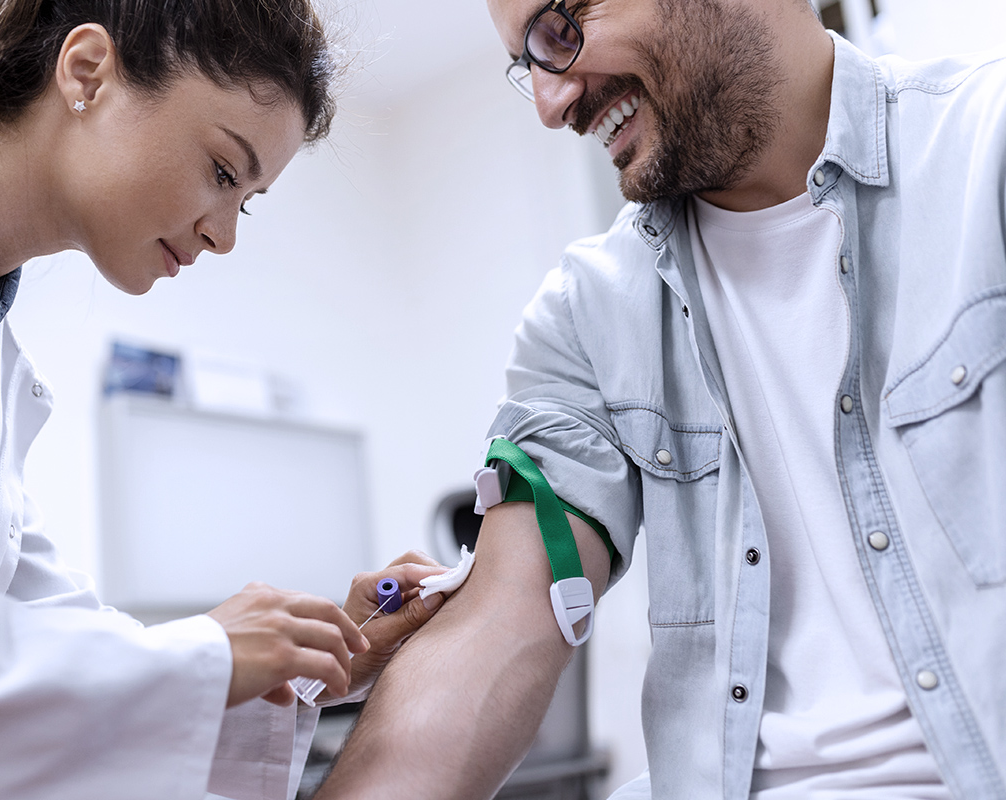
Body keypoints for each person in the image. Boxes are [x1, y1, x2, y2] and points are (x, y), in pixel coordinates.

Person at [315, 0, 1006, 797]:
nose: (550, 103)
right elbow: (497, 623)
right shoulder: (584, 316)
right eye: (526, 66)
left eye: (557, 31)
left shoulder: (982, 153)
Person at [0, 0, 450, 798]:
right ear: (87, 73)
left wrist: (316, 663)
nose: (226, 235)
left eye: (247, 200)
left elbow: (60, 673)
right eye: (224, 171)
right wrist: (211, 654)